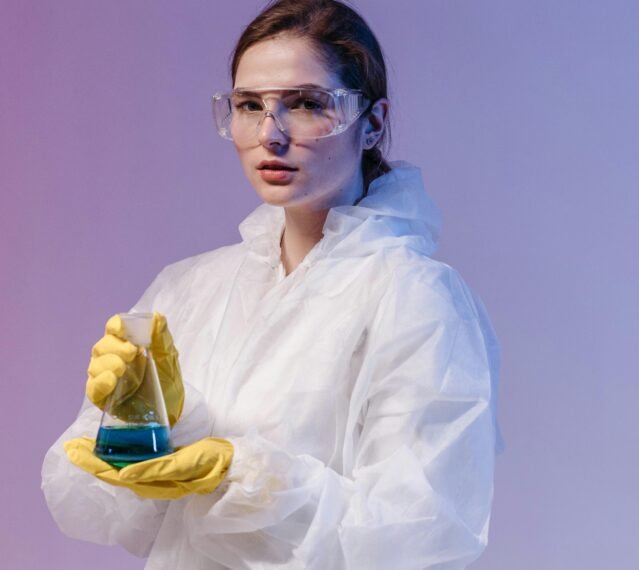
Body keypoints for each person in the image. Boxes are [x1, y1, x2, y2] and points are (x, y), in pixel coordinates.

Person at [40, 0, 502, 568]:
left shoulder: (415, 301)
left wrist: (245, 474)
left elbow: (422, 537)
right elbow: (93, 508)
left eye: (306, 104)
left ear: (373, 122)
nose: (270, 135)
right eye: (249, 105)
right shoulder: (190, 288)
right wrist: (148, 426)